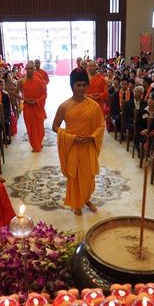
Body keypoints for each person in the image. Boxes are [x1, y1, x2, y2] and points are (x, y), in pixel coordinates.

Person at [52, 68, 106, 216]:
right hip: (73, 146)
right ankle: (77, 203)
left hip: (89, 146)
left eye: (84, 85)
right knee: (74, 176)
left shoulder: (94, 106)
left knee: (89, 177)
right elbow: (55, 126)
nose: (82, 88)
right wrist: (71, 137)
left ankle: (86, 199)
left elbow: (101, 125)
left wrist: (93, 136)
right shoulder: (64, 106)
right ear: (72, 86)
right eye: (78, 85)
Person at [18, 61, 47, 152]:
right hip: (27, 107)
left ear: (34, 69)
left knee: (39, 128)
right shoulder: (22, 81)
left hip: (37, 107)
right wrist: (25, 99)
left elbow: (44, 93)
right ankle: (35, 146)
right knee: (30, 128)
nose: (29, 70)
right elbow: (15, 93)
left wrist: (37, 101)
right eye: (28, 68)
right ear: (25, 69)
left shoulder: (38, 80)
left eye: (31, 68)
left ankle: (39, 142)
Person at [85, 61, 109, 130]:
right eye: (90, 66)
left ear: (97, 67)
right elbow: (81, 93)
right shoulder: (84, 79)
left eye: (94, 66)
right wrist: (89, 96)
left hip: (98, 104)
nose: (92, 67)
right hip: (87, 104)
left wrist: (99, 95)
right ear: (88, 67)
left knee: (98, 127)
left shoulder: (101, 79)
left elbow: (106, 92)